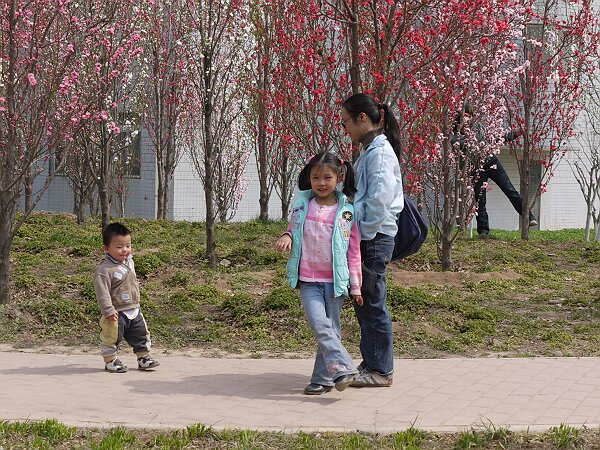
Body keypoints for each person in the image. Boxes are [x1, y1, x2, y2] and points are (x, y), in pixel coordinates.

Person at [275, 152, 363, 395]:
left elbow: (353, 251)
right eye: (315, 178)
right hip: (308, 281)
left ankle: (323, 378)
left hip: (335, 282)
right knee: (320, 324)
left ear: (339, 177)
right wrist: (286, 236)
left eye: (327, 177)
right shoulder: (303, 205)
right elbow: (292, 229)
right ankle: (344, 367)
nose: (321, 183)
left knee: (331, 329)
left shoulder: (347, 212)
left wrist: (355, 285)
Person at [340, 93, 404, 387]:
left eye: (346, 123)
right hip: (368, 236)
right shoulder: (371, 151)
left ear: (362, 118)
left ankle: (381, 370)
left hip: (374, 237)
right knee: (365, 302)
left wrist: (361, 235)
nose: (345, 130)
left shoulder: (379, 153)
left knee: (372, 303)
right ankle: (373, 362)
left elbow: (379, 201)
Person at [454, 105, 538, 237]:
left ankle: (529, 216)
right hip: (476, 169)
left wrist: (513, 134)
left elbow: (494, 138)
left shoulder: (479, 128)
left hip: (492, 163)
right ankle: (483, 232)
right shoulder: (456, 137)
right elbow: (465, 147)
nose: (467, 118)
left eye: (469, 116)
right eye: (465, 115)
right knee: (480, 201)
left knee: (510, 190)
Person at [94, 223, 160, 373]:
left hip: (134, 308)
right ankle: (110, 361)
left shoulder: (129, 262)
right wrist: (108, 310)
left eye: (128, 245)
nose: (125, 250)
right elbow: (102, 292)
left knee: (141, 333)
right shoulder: (105, 270)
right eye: (119, 247)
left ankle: (143, 357)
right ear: (106, 248)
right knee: (111, 337)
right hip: (116, 312)